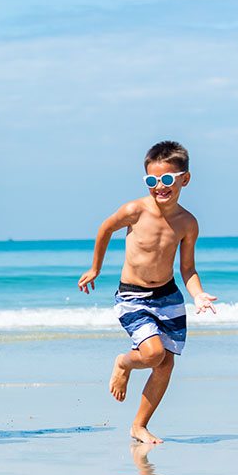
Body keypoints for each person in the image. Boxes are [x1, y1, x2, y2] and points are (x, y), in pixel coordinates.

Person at [78, 140, 217, 444]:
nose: (159, 187)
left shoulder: (187, 223)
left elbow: (188, 270)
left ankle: (138, 425)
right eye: (152, 181)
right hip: (132, 297)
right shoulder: (135, 210)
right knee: (153, 354)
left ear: (185, 179)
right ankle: (124, 362)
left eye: (167, 179)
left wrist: (198, 295)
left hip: (168, 297)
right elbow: (105, 229)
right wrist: (96, 268)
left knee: (166, 364)